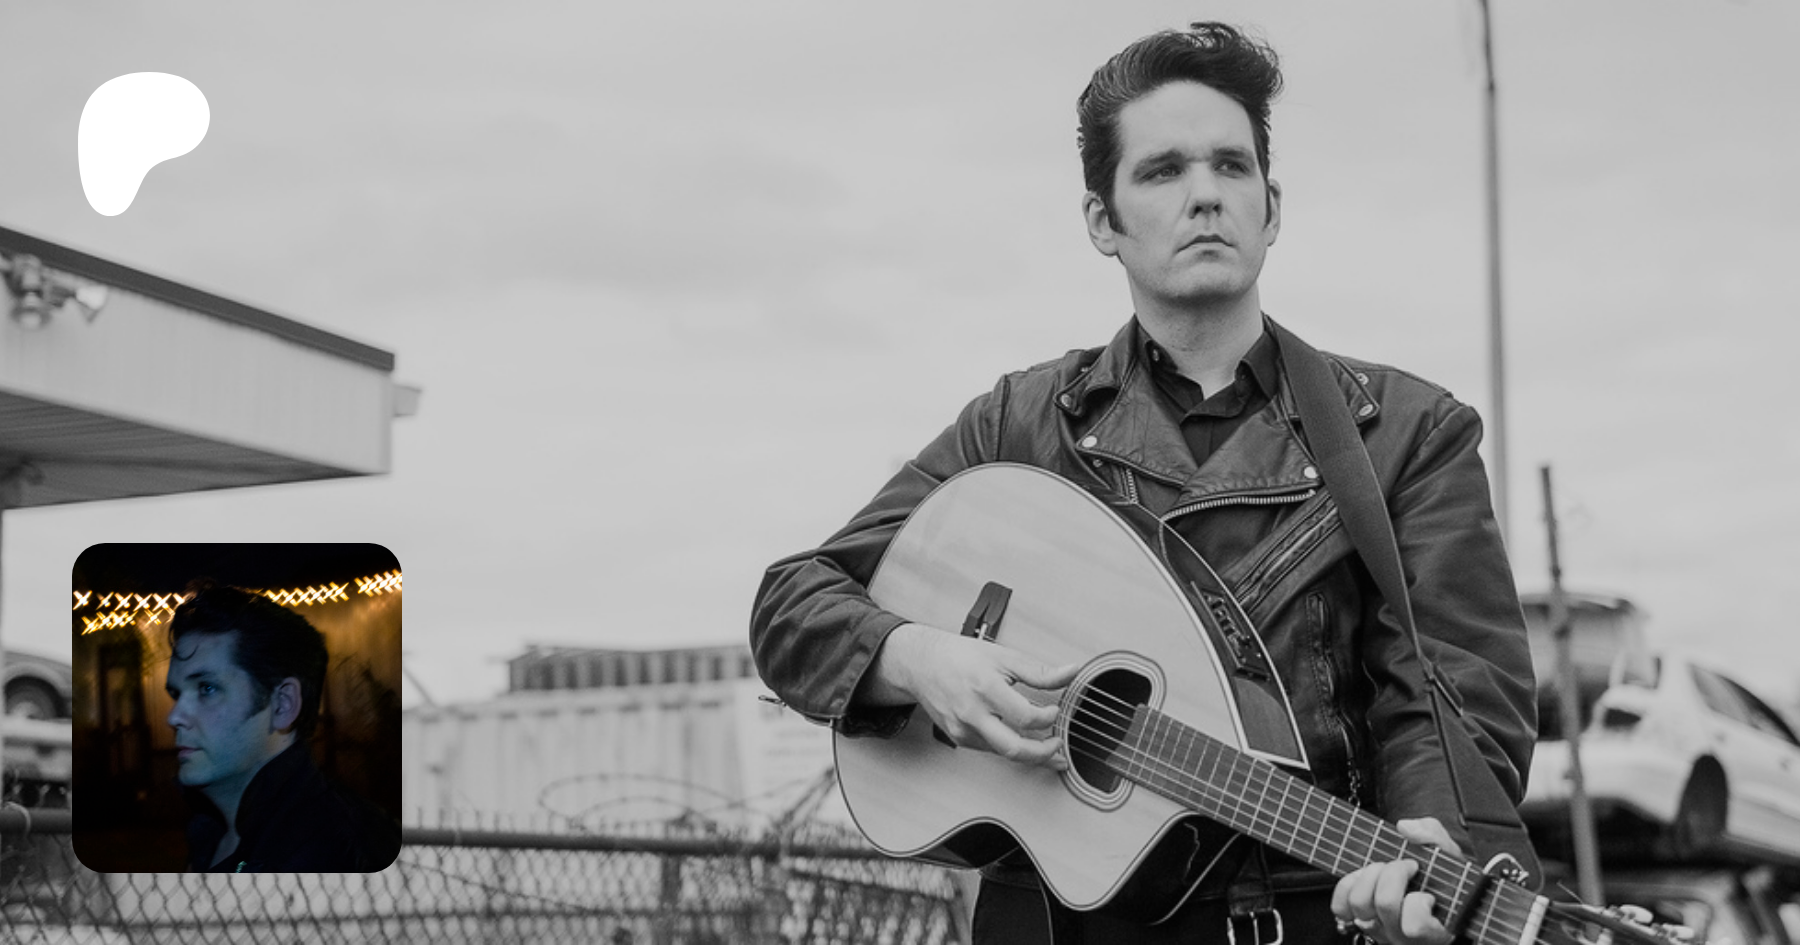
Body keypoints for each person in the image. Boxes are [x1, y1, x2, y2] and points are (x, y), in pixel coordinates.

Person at [748, 21, 1535, 945]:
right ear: (1102, 221)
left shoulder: (1405, 431)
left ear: (1271, 208)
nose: (1205, 194)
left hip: (1306, 913)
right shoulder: (1018, 425)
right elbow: (794, 603)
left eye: (1231, 166)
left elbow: (1449, 694)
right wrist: (917, 658)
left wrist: (1432, 847)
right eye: (1163, 171)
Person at [164, 581, 401, 872]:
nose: (174, 717)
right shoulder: (209, 835)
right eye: (176, 694)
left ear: (282, 705)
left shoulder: (336, 852)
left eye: (207, 688)